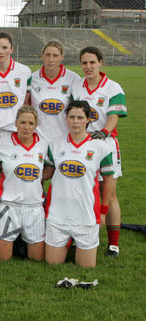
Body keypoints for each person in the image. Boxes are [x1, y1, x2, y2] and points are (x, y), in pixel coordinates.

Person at [70, 46, 127, 257]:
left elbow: (113, 116)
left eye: (92, 62)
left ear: (100, 62)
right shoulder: (76, 85)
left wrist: (103, 132)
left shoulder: (112, 87)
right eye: (84, 62)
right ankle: (78, 236)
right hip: (81, 144)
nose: (88, 66)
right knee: (80, 190)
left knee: (108, 194)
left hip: (105, 143)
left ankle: (113, 243)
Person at [44, 100, 115, 268]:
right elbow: (46, 174)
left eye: (80, 117)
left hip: (86, 215)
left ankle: (74, 242)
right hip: (57, 215)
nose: (75, 121)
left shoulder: (100, 147)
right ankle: (67, 243)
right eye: (72, 117)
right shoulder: (55, 144)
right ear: (66, 119)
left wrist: (104, 211)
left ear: (88, 119)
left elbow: (109, 180)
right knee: (52, 263)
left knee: (87, 267)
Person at [0, 106, 50, 261]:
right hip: (8, 207)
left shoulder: (43, 145)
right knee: (1, 259)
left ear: (36, 125)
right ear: (15, 123)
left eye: (31, 123)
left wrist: (34, 179)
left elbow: (49, 168)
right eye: (22, 122)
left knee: (37, 259)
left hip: (34, 207)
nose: (26, 127)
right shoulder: (1, 145)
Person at [29, 40, 80, 142]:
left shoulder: (73, 79)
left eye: (55, 55)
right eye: (47, 55)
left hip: (64, 139)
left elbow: (79, 111)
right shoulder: (32, 78)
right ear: (42, 56)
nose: (51, 59)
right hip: (39, 140)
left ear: (62, 57)